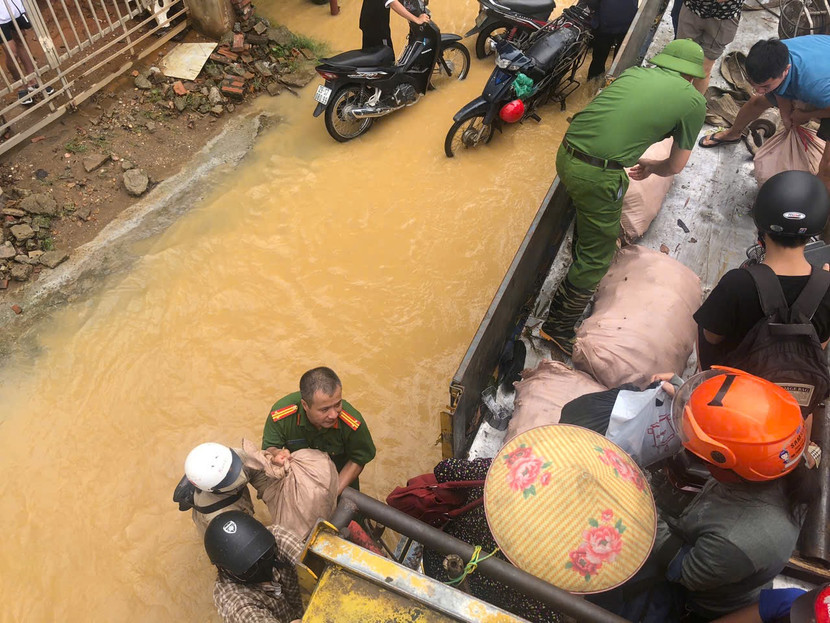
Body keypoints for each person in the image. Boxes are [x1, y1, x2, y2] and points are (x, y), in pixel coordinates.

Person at [591, 368, 817, 621]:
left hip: (694, 598)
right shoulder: (780, 457)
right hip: (713, 539)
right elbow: (738, 418)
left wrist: (636, 509)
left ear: (728, 466)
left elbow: (683, 570)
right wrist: (688, 402)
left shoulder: (739, 539)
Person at [539, 39, 706, 355]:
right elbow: (676, 165)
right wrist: (651, 166)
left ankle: (582, 250)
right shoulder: (694, 102)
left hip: (566, 154)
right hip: (597, 175)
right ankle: (556, 329)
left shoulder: (632, 74)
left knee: (590, 218)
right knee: (597, 257)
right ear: (693, 76)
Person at [693, 171, 830, 417]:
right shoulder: (827, 286)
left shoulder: (737, 283)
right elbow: (818, 345)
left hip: (737, 401)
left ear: (761, 225)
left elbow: (710, 339)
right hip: (791, 406)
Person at [698, 36, 830, 193]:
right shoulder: (775, 55)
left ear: (786, 70)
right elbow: (781, 89)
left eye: (765, 86)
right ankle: (733, 134)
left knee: (826, 166)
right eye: (753, 84)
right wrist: (785, 113)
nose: (758, 90)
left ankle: (818, 203)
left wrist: (805, 116)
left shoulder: (815, 89)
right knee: (757, 101)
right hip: (818, 64)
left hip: (823, 87)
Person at [262, 367, 375, 495]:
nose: (333, 415)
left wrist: (333, 492)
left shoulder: (351, 422)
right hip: (298, 484)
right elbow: (269, 449)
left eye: (337, 404)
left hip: (341, 482)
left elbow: (359, 458)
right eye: (324, 409)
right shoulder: (282, 416)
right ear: (305, 405)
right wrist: (277, 453)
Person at [205, 511, 304, 623]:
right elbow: (250, 617)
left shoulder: (275, 538)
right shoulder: (231, 597)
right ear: (225, 570)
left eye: (265, 555)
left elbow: (308, 561)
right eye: (249, 567)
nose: (261, 565)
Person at [675, 0, 744, 93]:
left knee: (702, 71)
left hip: (724, 17)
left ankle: (693, 105)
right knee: (683, 66)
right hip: (692, 8)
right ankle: (677, 100)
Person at [586, 0, 638, 82]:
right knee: (620, 64)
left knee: (598, 62)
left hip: (605, 26)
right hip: (627, 27)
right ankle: (615, 83)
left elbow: (592, 3)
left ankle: (592, 87)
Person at [358, 0, 430, 55]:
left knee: (369, 53)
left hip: (370, 21)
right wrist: (416, 19)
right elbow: (393, 3)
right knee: (385, 55)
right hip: (376, 27)